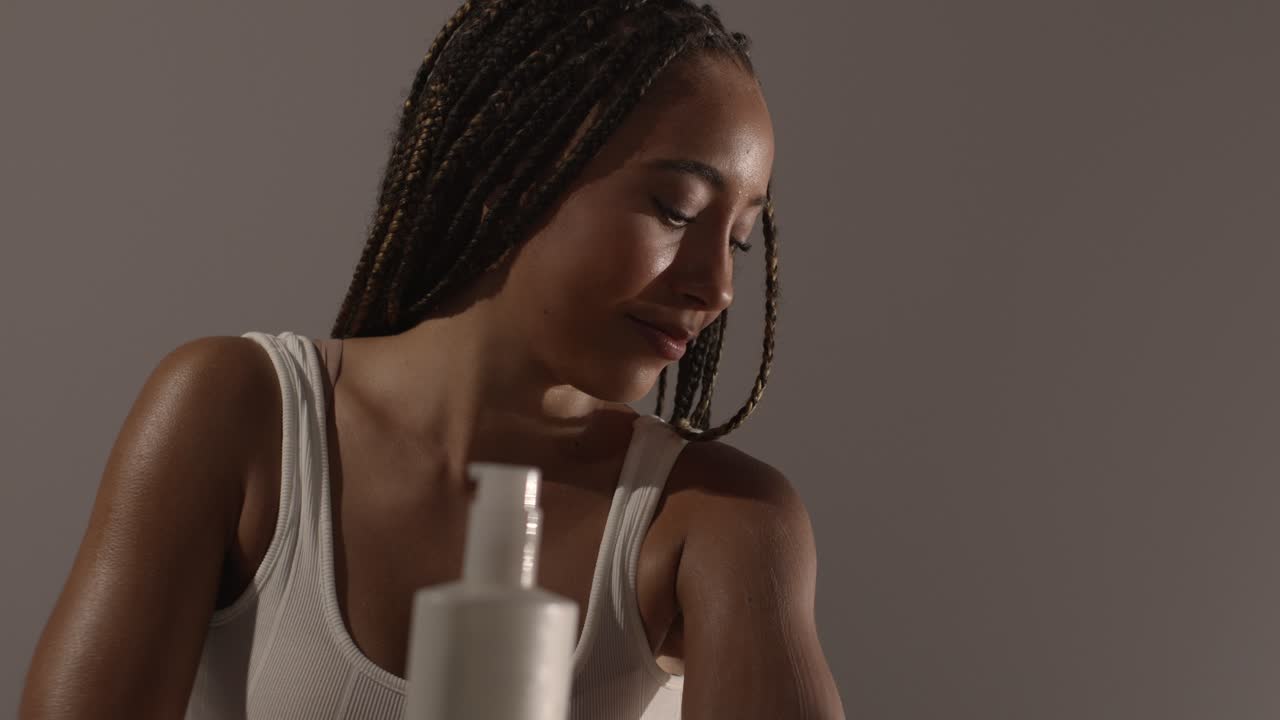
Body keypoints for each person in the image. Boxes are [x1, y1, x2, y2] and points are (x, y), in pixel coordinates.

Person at [19, 0, 845, 717]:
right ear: (512, 172)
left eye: (737, 239)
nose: (716, 286)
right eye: (676, 209)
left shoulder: (722, 524)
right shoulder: (235, 414)